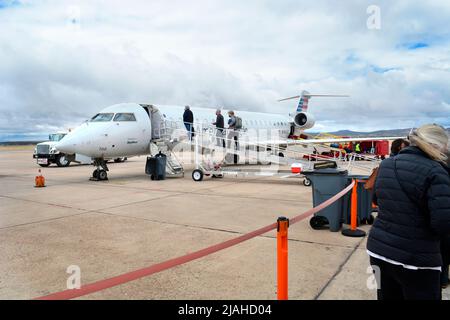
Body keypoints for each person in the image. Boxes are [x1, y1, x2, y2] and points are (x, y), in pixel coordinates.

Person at [367, 124, 450, 300]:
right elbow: (443, 223)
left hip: (379, 251)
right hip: (416, 259)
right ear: (437, 145)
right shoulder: (436, 172)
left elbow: (375, 199)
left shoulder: (387, 164)